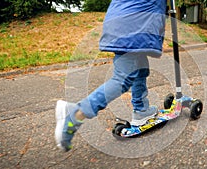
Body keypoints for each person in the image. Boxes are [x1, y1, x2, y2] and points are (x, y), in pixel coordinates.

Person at [55, 0, 167, 152]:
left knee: (140, 68)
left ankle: (141, 110)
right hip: (134, 25)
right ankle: (76, 113)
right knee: (122, 79)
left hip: (123, 21)